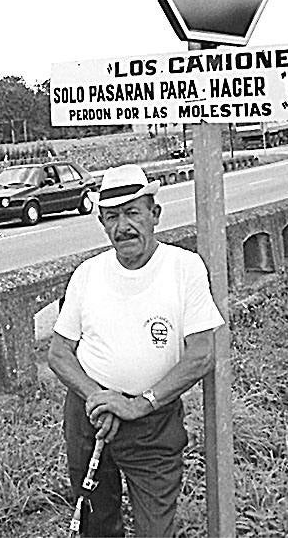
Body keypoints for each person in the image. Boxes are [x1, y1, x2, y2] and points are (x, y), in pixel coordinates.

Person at [48, 163, 224, 537]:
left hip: (153, 423)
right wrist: (99, 397)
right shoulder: (88, 274)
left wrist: (138, 404)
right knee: (96, 524)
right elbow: (59, 353)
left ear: (154, 214)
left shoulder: (184, 268)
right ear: (102, 223)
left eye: (132, 213)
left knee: (154, 530)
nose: (122, 226)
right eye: (111, 216)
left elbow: (202, 354)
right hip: (91, 419)